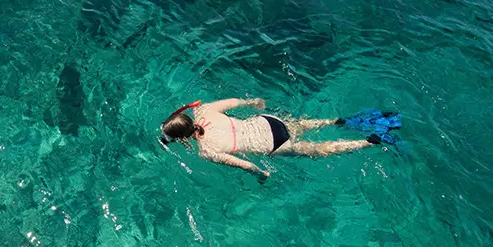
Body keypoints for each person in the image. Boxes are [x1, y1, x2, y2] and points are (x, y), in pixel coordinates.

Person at [160, 98, 390, 178]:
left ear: (182, 138)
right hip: (267, 121)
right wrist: (254, 102)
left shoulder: (206, 151)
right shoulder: (204, 111)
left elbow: (245, 164)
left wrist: (261, 174)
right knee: (301, 124)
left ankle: (367, 142)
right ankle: (336, 121)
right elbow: (235, 102)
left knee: (319, 149)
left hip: (272, 144)